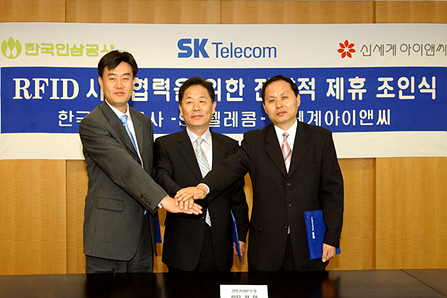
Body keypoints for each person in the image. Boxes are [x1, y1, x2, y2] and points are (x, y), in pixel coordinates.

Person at [176, 75, 344, 271]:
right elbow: (229, 167)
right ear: (264, 108)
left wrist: (331, 238)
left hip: (310, 243)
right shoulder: (254, 141)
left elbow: (333, 192)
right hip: (266, 248)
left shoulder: (320, 138)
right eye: (271, 100)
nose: (278, 104)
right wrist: (204, 187)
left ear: (298, 100)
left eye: (284, 97)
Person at [79, 50, 202, 274]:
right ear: (100, 82)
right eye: (112, 77)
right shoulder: (92, 124)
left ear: (134, 82)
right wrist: (165, 200)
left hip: (143, 238)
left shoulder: (143, 122)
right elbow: (124, 169)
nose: (119, 84)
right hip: (108, 238)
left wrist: (181, 193)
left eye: (126, 78)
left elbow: (151, 170)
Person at [153, 76, 249, 272]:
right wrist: (182, 195)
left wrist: (240, 234)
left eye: (202, 101)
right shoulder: (165, 144)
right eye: (189, 102)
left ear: (213, 107)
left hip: (220, 243)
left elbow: (237, 195)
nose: (196, 107)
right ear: (180, 109)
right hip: (182, 244)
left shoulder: (230, 146)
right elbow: (162, 177)